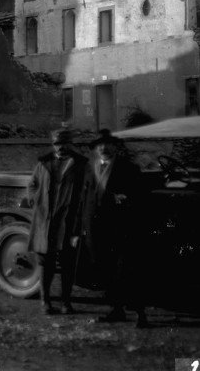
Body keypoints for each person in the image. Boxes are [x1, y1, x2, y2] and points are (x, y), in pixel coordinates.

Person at [84, 129, 150, 328]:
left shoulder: (128, 168)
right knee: (105, 270)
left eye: (108, 144)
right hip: (97, 230)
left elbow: (141, 196)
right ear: (95, 149)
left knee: (127, 271)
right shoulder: (89, 169)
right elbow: (84, 200)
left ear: (115, 147)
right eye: (99, 145)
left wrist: (126, 198)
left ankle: (141, 314)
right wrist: (81, 229)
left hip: (121, 229)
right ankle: (116, 310)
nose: (104, 148)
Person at [26, 126, 89, 315]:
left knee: (68, 263)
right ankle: (45, 301)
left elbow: (87, 189)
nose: (60, 147)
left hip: (69, 221)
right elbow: (32, 184)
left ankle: (66, 302)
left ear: (71, 143)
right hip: (47, 221)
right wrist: (35, 199)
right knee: (46, 263)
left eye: (63, 143)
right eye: (56, 143)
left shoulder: (80, 164)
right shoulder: (44, 163)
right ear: (53, 145)